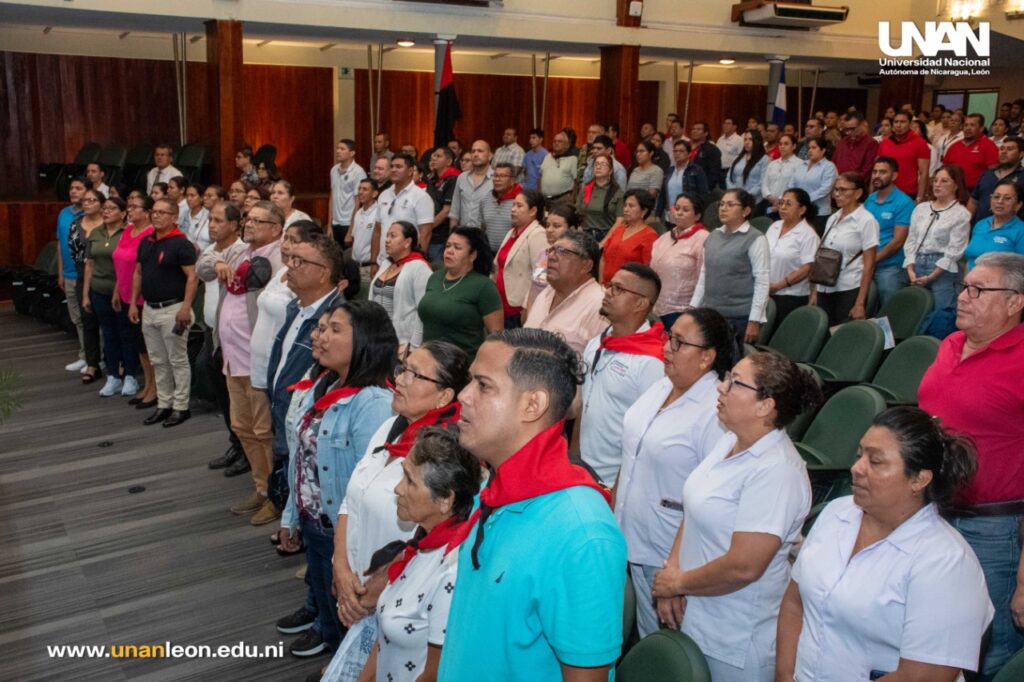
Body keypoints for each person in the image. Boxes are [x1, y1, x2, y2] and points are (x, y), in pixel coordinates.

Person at [437, 328, 626, 680]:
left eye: (483, 385)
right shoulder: (495, 491)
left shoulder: (582, 534)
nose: (462, 395)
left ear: (532, 405)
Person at [776, 407, 993, 682]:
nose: (856, 468)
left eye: (875, 461)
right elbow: (795, 601)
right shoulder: (836, 514)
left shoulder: (946, 562)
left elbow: (923, 676)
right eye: (859, 455)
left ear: (919, 479)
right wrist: (785, 675)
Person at [652, 352, 821, 682]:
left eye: (735, 383)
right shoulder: (729, 442)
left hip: (734, 638)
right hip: (695, 613)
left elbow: (745, 565)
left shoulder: (777, 470)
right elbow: (695, 507)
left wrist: (678, 582)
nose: (721, 388)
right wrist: (672, 573)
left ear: (765, 406)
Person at [322, 342, 469, 679]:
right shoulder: (391, 427)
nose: (399, 379)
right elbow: (351, 499)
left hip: (392, 601)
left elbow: (428, 539)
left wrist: (367, 593)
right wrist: (341, 568)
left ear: (445, 397)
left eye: (414, 374)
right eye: (403, 368)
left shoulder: (446, 457)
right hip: (354, 586)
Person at [918, 252, 1024, 679]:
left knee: (991, 654)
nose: (963, 296)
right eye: (965, 287)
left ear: (1015, 302)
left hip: (995, 531)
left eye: (979, 290)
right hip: (933, 515)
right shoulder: (950, 345)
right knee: (935, 638)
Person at [278, 300, 397, 656]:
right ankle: (329, 643)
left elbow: (368, 488)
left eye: (335, 329)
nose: (321, 337)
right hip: (315, 520)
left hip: (342, 532)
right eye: (322, 328)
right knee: (329, 603)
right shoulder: (326, 383)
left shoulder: (373, 404)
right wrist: (291, 514)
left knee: (348, 615)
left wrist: (344, 550)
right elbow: (302, 459)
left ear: (364, 341)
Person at [617, 307, 734, 637]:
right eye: (669, 338)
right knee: (643, 634)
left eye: (679, 343)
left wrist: (676, 569)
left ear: (706, 357)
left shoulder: (716, 410)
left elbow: (713, 497)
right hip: (630, 535)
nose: (667, 347)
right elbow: (631, 457)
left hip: (670, 551)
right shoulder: (661, 387)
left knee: (666, 639)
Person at [198, 200, 285, 518]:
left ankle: (277, 497)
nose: (249, 224)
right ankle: (261, 488)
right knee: (242, 427)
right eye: (248, 219)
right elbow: (204, 263)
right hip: (231, 355)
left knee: (264, 431)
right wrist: (217, 264)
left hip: (257, 360)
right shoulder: (238, 251)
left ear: (275, 229)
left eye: (258, 221)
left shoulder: (280, 258)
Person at [575, 264, 666, 485]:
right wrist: (574, 452)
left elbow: (649, 435)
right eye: (609, 286)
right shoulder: (599, 341)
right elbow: (584, 402)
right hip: (582, 467)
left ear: (641, 303)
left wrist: (620, 484)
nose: (608, 292)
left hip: (615, 477)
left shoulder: (652, 361)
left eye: (618, 289)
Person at [128, 197, 198, 427]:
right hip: (149, 308)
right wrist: (133, 303)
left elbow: (192, 277)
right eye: (154, 212)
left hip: (174, 309)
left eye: (162, 212)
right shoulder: (146, 242)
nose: (156, 216)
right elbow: (138, 273)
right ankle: (164, 403)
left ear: (174, 217)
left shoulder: (181, 244)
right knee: (158, 360)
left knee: (177, 360)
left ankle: (181, 406)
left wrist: (186, 307)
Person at [198, 202, 247, 474]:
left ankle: (245, 450)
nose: (212, 225)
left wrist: (219, 261)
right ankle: (234, 442)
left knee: (235, 396)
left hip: (231, 337)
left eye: (218, 220)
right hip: (211, 331)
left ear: (233, 224)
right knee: (221, 393)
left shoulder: (241, 253)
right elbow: (201, 269)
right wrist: (214, 260)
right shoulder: (210, 251)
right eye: (210, 220)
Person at [690, 188, 770, 346]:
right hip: (711, 314)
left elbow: (762, 281)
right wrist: (693, 307)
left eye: (730, 204)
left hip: (739, 317)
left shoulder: (755, 238)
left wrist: (754, 320)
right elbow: (705, 275)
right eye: (721, 204)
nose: (723, 208)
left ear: (746, 210)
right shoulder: (713, 235)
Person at [417, 227, 503, 356]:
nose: (449, 251)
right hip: (428, 361)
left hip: (461, 365)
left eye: (457, 248)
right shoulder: (435, 277)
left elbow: (497, 338)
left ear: (472, 255)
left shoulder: (484, 286)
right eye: (448, 246)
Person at [810, 172, 879, 325]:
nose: (837, 194)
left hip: (848, 287)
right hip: (825, 286)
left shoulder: (866, 220)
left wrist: (860, 302)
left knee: (841, 333)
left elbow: (869, 265)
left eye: (843, 190)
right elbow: (822, 256)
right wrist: (815, 290)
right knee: (824, 331)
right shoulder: (832, 218)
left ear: (858, 193)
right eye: (836, 190)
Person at [524, 231, 607, 354]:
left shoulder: (601, 305)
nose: (551, 257)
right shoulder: (546, 293)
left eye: (562, 251)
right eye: (550, 250)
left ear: (586, 266)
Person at [903, 165, 971, 313]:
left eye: (944, 181)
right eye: (935, 180)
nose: (938, 184)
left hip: (943, 268)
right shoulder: (921, 208)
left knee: (941, 313)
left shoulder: (961, 214)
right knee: (914, 312)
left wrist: (932, 275)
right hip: (917, 263)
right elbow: (911, 240)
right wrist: (910, 268)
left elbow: (955, 250)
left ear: (956, 185)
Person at [82, 196, 130, 397]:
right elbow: (90, 265)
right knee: (108, 334)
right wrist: (85, 294)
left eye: (112, 208)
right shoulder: (96, 233)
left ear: (123, 213)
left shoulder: (127, 233)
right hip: (98, 290)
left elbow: (126, 265)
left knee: (125, 334)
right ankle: (113, 377)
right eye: (105, 208)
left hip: (121, 291)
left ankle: (129, 375)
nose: (107, 211)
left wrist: (118, 291)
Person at [114, 196, 156, 406]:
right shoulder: (128, 231)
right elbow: (120, 263)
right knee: (138, 346)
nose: (129, 210)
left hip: (139, 298)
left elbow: (140, 270)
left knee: (147, 347)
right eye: (128, 207)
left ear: (147, 212)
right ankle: (147, 384)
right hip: (124, 293)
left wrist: (132, 300)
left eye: (134, 207)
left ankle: (154, 388)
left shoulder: (150, 235)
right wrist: (116, 291)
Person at [369, 220, 433, 351]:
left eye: (393, 236)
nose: (387, 240)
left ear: (407, 242)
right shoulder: (386, 264)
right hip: (376, 338)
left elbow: (423, 311)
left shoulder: (419, 267)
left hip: (402, 342)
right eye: (387, 235)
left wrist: (414, 346)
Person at [371, 154, 434, 278]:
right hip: (383, 263)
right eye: (392, 166)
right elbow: (377, 231)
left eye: (399, 167)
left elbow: (425, 234)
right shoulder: (383, 195)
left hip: (407, 265)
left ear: (410, 171)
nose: (393, 169)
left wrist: (415, 265)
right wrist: (373, 262)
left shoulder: (421, 197)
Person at [650, 192, 708, 327]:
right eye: (677, 208)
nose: (679, 213)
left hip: (681, 310)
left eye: (686, 210)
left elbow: (704, 278)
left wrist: (694, 309)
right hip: (656, 306)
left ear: (697, 216)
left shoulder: (703, 239)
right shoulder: (665, 237)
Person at [864, 157, 916, 307]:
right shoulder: (870, 199)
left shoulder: (903, 202)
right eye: (874, 172)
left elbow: (898, 241)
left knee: (889, 310)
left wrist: (872, 260)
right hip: (868, 262)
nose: (877, 175)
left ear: (894, 176)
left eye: (882, 172)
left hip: (890, 267)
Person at [494, 190, 548, 329]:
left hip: (518, 308)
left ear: (533, 211)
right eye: (513, 205)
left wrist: (528, 306)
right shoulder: (512, 232)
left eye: (519, 206)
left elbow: (541, 275)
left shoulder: (538, 234)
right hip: (501, 304)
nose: (513, 210)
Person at [766, 188, 820, 325]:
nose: (782, 207)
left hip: (790, 296)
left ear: (801, 210)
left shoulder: (808, 234)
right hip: (766, 292)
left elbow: (807, 268)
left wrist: (779, 285)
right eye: (781, 203)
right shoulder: (774, 226)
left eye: (788, 204)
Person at [68, 187, 105, 383]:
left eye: (92, 200)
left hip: (106, 275)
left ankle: (115, 362)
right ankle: (92, 363)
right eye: (85, 201)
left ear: (101, 204)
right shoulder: (76, 225)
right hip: (83, 275)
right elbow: (75, 254)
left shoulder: (109, 224)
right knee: (88, 321)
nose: (88, 204)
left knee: (110, 322)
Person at [57, 177, 89, 373]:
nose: (74, 191)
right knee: (77, 317)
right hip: (68, 273)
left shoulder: (92, 214)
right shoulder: (63, 213)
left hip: (86, 273)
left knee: (90, 317)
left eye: (79, 188)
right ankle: (84, 355)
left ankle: (98, 356)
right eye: (71, 188)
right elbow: (60, 244)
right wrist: (60, 272)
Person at [599, 190, 658, 283]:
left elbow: (647, 270)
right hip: (605, 287)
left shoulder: (650, 235)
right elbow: (603, 258)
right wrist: (601, 284)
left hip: (627, 290)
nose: (625, 209)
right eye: (625, 205)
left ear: (644, 211)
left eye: (631, 206)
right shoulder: (619, 229)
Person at [964, 180, 1024, 270]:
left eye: (1007, 198)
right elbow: (969, 260)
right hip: (971, 281)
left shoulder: (1021, 230)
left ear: (1018, 205)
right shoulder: (980, 224)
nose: (1000, 201)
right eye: (996, 197)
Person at [878, 111, 931, 202]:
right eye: (896, 122)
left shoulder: (920, 143)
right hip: (884, 190)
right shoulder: (884, 143)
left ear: (910, 124)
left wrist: (920, 197)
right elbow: (877, 169)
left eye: (903, 122)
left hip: (908, 193)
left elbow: (924, 173)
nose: (898, 125)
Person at [970, 136, 1024, 225]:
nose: (1004, 152)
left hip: (1010, 233)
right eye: (1002, 149)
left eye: (1010, 149)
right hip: (981, 229)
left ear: (1021, 154)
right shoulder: (987, 174)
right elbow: (973, 201)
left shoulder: (1022, 177)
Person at [658, 138, 710, 226]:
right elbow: (663, 194)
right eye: (675, 151)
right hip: (670, 215)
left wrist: (697, 213)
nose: (677, 153)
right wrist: (658, 213)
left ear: (689, 153)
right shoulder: (669, 171)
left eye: (681, 151)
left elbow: (703, 194)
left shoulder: (696, 170)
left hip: (688, 216)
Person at [943, 113, 1000, 192]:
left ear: (981, 128)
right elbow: (945, 168)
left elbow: (994, 171)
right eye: (966, 125)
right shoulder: (954, 146)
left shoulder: (989, 145)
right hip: (953, 190)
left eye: (972, 125)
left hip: (976, 192)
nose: (968, 128)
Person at [791, 138, 838, 231]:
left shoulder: (829, 166)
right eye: (809, 148)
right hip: (800, 211)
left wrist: (804, 200)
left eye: (814, 147)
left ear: (823, 150)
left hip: (819, 213)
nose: (810, 150)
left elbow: (825, 189)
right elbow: (792, 184)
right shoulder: (802, 164)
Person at [576, 155, 624, 241]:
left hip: (607, 235)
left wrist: (603, 242)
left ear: (610, 171)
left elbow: (620, 221)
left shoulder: (618, 192)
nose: (598, 166)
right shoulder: (586, 188)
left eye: (603, 164)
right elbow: (577, 211)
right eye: (596, 164)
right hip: (585, 235)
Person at [424, 147, 459, 261]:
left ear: (449, 161)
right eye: (433, 156)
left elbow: (446, 211)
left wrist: (427, 227)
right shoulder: (432, 179)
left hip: (439, 235)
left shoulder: (453, 179)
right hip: (428, 232)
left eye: (438, 156)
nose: (434, 159)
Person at [330, 138, 367, 247]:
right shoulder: (334, 170)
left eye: (342, 149)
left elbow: (358, 202)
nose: (338, 151)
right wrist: (329, 226)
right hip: (335, 222)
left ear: (351, 153)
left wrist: (351, 231)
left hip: (348, 223)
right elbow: (332, 197)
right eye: (337, 148)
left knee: (348, 258)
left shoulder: (358, 172)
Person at [449, 140, 493, 230]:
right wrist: (452, 235)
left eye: (480, 151)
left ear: (490, 156)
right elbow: (454, 211)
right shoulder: (462, 177)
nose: (476, 154)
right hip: (463, 235)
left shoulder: (496, 178)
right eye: (473, 151)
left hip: (486, 237)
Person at [479, 162, 521, 253]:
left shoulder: (520, 201)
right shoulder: (485, 199)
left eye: (502, 176)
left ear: (512, 180)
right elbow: (482, 227)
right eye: (495, 175)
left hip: (512, 254)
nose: (497, 179)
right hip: (489, 254)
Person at [347, 178, 380, 291]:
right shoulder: (358, 213)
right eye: (359, 189)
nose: (360, 192)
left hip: (369, 267)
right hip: (355, 268)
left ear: (374, 193)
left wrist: (374, 264)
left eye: (365, 189)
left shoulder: (378, 213)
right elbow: (355, 240)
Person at [760, 133, 803, 218]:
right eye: (780, 144)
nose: (782, 146)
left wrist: (780, 199)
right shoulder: (772, 163)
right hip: (769, 202)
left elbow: (795, 186)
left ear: (794, 146)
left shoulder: (799, 164)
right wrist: (769, 196)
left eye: (786, 144)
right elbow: (764, 183)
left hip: (787, 204)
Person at [726, 129, 770, 204]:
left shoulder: (764, 159)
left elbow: (762, 182)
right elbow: (729, 177)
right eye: (745, 139)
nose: (747, 142)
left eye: (750, 139)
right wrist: (734, 193)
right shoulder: (739, 158)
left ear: (758, 141)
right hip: (736, 198)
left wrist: (746, 196)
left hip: (754, 200)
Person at [831, 111, 878, 180]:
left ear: (862, 125)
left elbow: (867, 170)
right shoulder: (842, 142)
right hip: (839, 182)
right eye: (846, 129)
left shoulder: (871, 143)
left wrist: (852, 183)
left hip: (856, 184)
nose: (849, 132)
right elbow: (833, 163)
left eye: (852, 129)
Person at [538, 130, 578, 209]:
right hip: (545, 200)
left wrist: (572, 199)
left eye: (560, 141)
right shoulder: (547, 156)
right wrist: (539, 193)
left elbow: (577, 182)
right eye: (554, 141)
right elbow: (540, 176)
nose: (556, 143)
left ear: (567, 145)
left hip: (563, 200)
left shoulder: (573, 159)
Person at [627, 140, 664, 204]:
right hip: (632, 207)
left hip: (647, 209)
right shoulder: (635, 170)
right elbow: (628, 190)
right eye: (637, 151)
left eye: (642, 151)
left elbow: (652, 194)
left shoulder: (656, 171)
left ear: (651, 153)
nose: (638, 154)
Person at [689, 121, 723, 189]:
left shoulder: (712, 150)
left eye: (698, 129)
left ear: (706, 133)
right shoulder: (685, 146)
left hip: (701, 187)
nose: (695, 131)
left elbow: (714, 173)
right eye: (693, 129)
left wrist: (706, 188)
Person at [182, 183, 211, 251]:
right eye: (187, 195)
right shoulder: (183, 214)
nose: (189, 199)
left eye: (192, 196)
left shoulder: (208, 216)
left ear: (201, 198)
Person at [521, 127, 547, 192]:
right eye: (530, 138)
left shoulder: (546, 155)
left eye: (534, 138)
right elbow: (525, 171)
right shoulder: (527, 154)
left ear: (541, 139)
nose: (531, 140)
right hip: (526, 188)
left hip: (538, 190)